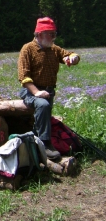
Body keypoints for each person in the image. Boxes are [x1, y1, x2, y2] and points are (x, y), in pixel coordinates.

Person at [17, 17, 80, 160]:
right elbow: (23, 77)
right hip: (31, 90)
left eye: (54, 34)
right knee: (43, 106)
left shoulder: (54, 49)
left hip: (48, 91)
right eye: (50, 34)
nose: (53, 37)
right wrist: (37, 92)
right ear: (39, 34)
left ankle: (34, 146)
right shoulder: (28, 49)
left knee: (42, 116)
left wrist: (72, 58)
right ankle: (45, 144)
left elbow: (70, 54)